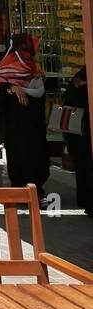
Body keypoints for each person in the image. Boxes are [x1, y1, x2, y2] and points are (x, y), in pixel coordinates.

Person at [0, 33, 51, 203]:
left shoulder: (34, 68)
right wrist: (12, 87)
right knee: (20, 156)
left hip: (34, 124)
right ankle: (21, 193)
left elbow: (38, 93)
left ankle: (35, 192)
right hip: (16, 126)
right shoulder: (7, 68)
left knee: (37, 156)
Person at [63, 66, 93, 216]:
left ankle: (87, 202)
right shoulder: (79, 82)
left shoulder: (78, 81)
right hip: (83, 132)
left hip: (81, 133)